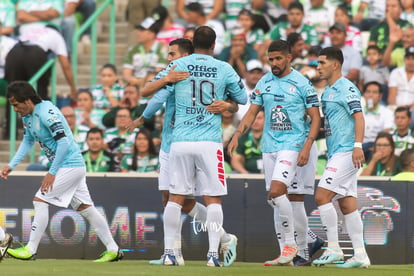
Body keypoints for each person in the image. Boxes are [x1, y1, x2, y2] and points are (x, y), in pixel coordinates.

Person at [129, 37, 239, 266]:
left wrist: (143, 117)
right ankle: (176, 252)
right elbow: (156, 96)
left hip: (183, 141)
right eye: (168, 55)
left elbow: (154, 96)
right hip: (173, 143)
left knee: (183, 199)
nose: (169, 59)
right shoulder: (174, 75)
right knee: (171, 198)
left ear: (186, 54)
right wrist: (144, 116)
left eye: (172, 54)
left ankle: (220, 238)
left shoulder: (184, 70)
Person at [2, 81, 123, 262]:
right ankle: (113, 250)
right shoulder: (27, 116)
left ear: (27, 100)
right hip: (70, 166)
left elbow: (64, 142)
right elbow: (28, 141)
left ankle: (31, 249)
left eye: (15, 104)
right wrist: (12, 165)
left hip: (70, 165)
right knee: (86, 208)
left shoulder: (47, 112)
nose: (14, 109)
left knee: (40, 200)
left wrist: (52, 172)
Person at [159, 26, 247, 267]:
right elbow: (242, 99)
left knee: (175, 198)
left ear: (192, 42)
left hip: (180, 140)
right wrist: (227, 104)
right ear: (213, 45)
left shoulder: (178, 65)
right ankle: (212, 255)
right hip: (209, 141)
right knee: (213, 199)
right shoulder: (223, 67)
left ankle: (169, 253)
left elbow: (155, 87)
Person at [228, 39, 321, 266]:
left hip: (293, 144)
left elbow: (316, 117)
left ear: (289, 57)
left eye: (279, 58)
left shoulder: (301, 83)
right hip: (269, 147)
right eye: (271, 59)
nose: (274, 63)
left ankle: (292, 246)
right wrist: (238, 134)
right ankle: (296, 249)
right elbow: (252, 112)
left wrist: (307, 146)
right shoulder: (264, 82)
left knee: (280, 192)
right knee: (275, 199)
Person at [311, 47, 370, 268]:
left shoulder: (347, 88)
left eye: (322, 62)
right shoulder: (327, 92)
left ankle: (334, 248)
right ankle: (360, 254)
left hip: (347, 152)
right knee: (347, 205)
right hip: (336, 152)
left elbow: (359, 117)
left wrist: (357, 146)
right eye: (318, 63)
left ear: (335, 64)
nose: (318, 67)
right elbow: (330, 124)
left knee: (321, 196)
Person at [122, 16, 167, 90]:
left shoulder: (161, 49)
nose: (138, 33)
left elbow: (159, 72)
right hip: (135, 85)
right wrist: (135, 81)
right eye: (138, 30)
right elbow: (126, 74)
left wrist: (142, 81)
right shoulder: (132, 50)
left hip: (154, 86)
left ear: (152, 34)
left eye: (142, 30)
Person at [362, 82, 394, 161]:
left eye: (374, 92)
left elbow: (387, 131)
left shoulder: (387, 112)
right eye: (368, 92)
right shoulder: (358, 112)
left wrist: (377, 145)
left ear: (380, 96)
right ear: (364, 95)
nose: (370, 95)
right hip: (358, 146)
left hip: (377, 146)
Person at [231, 110, 264, 174]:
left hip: (270, 173)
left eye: (259, 118)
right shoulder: (242, 137)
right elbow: (235, 159)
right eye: (253, 118)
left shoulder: (272, 137)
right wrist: (246, 174)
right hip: (248, 172)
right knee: (233, 173)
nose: (255, 121)